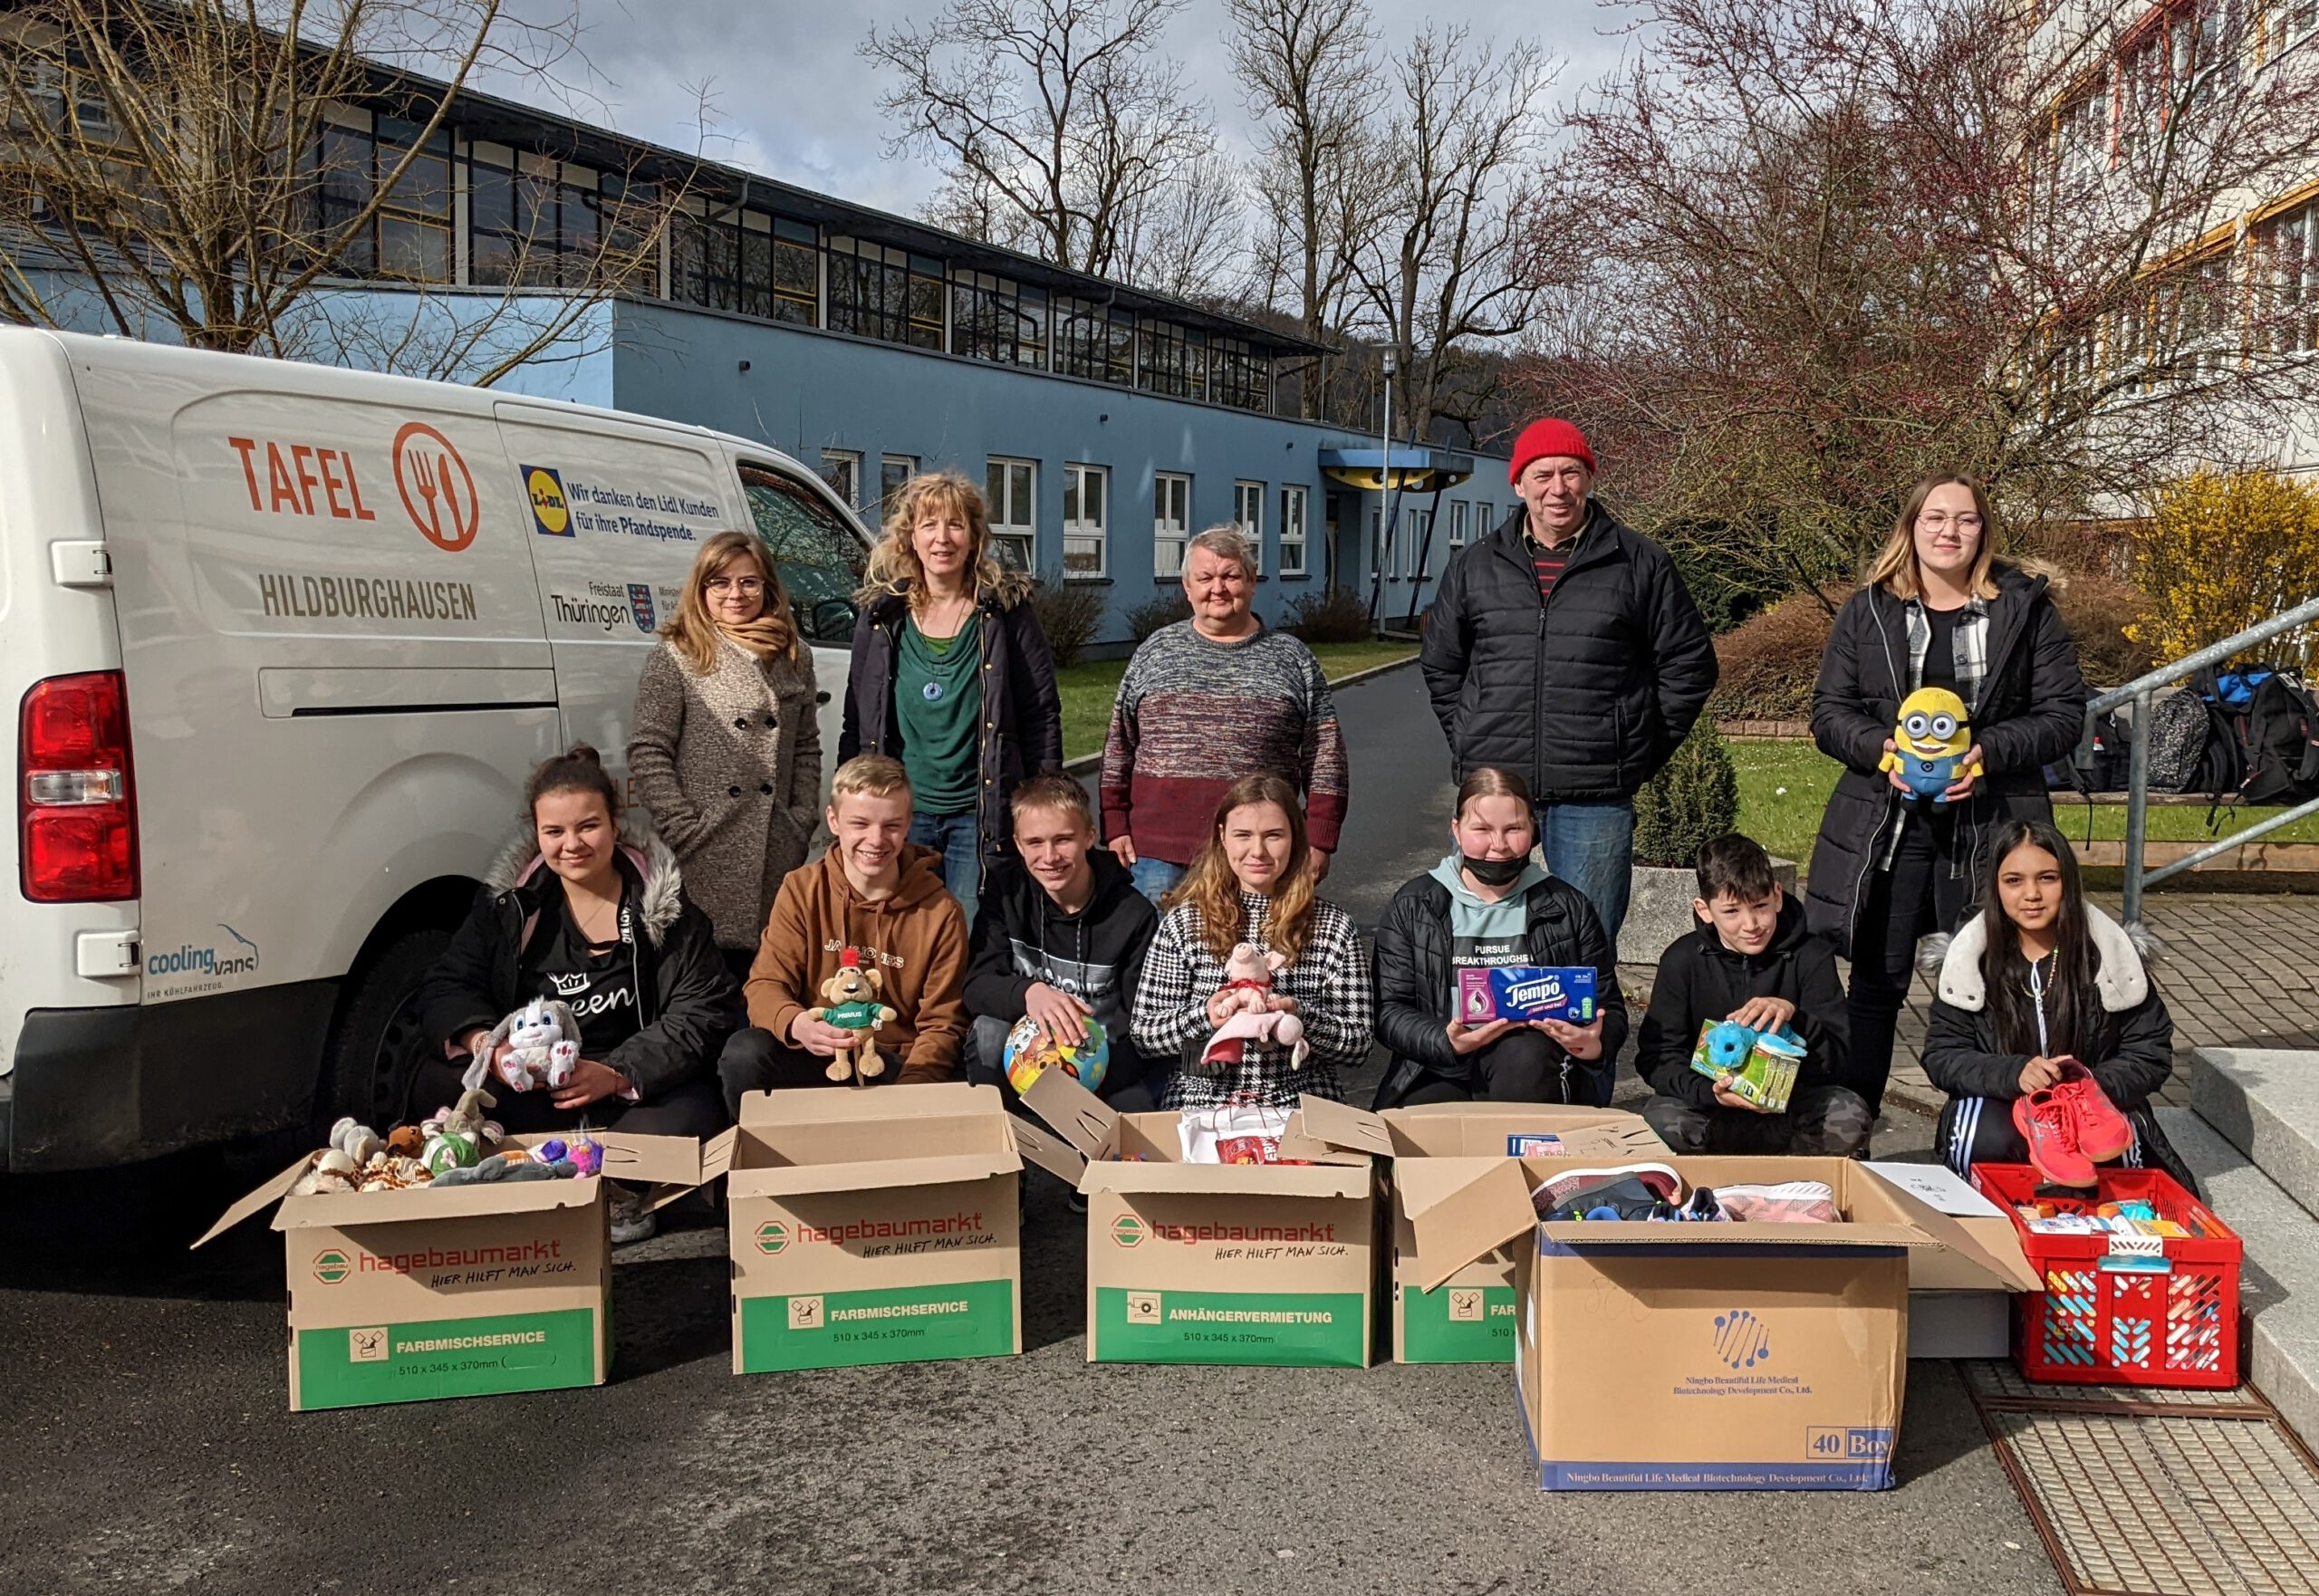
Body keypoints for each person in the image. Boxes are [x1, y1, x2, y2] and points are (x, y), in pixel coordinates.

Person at [1806, 474, 2088, 1116]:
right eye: (1935, 519)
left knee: (1992, 985)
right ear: (1912, 527)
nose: (1949, 533)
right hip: (1889, 825)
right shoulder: (1870, 607)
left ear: (1984, 531)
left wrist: (1987, 753)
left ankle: (1991, 1130)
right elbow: (1829, 711)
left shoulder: (2025, 609)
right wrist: (1882, 750)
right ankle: (1854, 1129)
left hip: (1992, 824)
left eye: (1965, 520)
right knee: (1876, 986)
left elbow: (2063, 714)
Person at [416, 745, 742, 1245]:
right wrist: (491, 1048)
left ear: (614, 824)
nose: (572, 844)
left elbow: (702, 1010)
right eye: (555, 831)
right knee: (435, 1087)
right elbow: (446, 986)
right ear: (537, 834)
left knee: (693, 1115)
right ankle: (550, 1182)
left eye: (588, 826)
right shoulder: (508, 908)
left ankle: (614, 1190)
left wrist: (616, 1075)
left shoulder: (667, 909)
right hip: (535, 1088)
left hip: (631, 1089)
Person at [1419, 418, 1717, 946]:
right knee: (1488, 935)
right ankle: (1502, 1029)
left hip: (1595, 795)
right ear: (1518, 484)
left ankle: (1581, 1031)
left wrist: (1638, 749)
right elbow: (1442, 664)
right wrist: (1470, 736)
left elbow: (1689, 664)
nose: (1558, 489)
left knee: (1586, 938)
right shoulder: (1474, 567)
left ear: (1589, 479)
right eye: (1543, 474)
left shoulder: (1640, 562)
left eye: (1572, 473)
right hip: (1497, 789)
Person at [840, 470, 1062, 926]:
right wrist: (851, 803)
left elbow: (1041, 713)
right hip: (901, 812)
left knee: (967, 929)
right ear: (910, 538)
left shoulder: (1005, 614)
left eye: (956, 525)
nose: (943, 538)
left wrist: (1042, 805)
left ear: (975, 537)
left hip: (977, 815)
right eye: (929, 525)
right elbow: (856, 715)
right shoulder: (882, 617)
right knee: (897, 928)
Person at [1921, 819, 2194, 1191]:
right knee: (1983, 1140)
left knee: (2116, 1153)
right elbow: (1943, 1055)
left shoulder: (2110, 957)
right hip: (2001, 1099)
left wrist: (2085, 1088)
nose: (2031, 894)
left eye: (2047, 878)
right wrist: (2013, 1072)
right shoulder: (1969, 961)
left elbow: (2150, 1052)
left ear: (2068, 882)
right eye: (2014, 881)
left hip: (2094, 1104)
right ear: (1995, 888)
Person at [1101, 526, 1348, 904]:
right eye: (1205, 577)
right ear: (1187, 586)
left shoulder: (1292, 658)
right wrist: (1114, 822)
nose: (1217, 588)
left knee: (1259, 962)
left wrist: (1320, 837)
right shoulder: (1155, 652)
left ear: (1251, 582)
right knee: (1161, 963)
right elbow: (1120, 744)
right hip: (1158, 856)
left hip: (1258, 855)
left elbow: (1325, 755)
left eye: (1230, 576)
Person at [628, 529, 823, 987]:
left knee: (770, 983)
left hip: (776, 845)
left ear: (768, 588)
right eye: (721, 583)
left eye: (749, 582)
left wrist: (800, 817)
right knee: (702, 983)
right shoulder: (677, 654)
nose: (736, 594)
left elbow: (806, 746)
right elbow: (649, 748)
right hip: (705, 846)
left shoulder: (796, 655)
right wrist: (682, 825)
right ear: (702, 589)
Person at [717, 755, 968, 1108]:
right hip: (818, 1050)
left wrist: (911, 1093)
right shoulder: (801, 888)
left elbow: (941, 1024)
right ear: (834, 821)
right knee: (745, 1052)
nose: (876, 839)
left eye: (892, 826)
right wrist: (797, 1024)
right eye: (860, 824)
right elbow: (764, 984)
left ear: (909, 823)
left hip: (894, 1062)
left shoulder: (941, 912)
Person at [1371, 767, 1626, 1110]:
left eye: (1514, 829)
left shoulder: (1568, 906)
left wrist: (1595, 1043)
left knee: (1525, 1054)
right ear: (1456, 830)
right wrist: (1444, 1040)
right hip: (1435, 1066)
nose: (1499, 845)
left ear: (1533, 829)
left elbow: (1608, 1005)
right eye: (1482, 830)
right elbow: (1389, 1010)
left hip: (1531, 1066)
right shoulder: (1414, 904)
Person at [1131, 774, 1371, 1109]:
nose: (1257, 851)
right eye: (1243, 835)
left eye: (1273, 836)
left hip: (1302, 1104)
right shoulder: (1185, 922)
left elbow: (1358, 1043)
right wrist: (1205, 1015)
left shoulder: (1333, 926)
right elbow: (1145, 1034)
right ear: (1223, 838)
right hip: (1204, 1104)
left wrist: (1299, 1014)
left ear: (1295, 839)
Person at [1635, 833, 1872, 1156]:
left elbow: (1841, 1059)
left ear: (1777, 896)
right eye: (1731, 912)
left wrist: (1796, 1017)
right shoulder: (1682, 960)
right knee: (1658, 1121)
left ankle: (1807, 1182)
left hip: (1790, 1106)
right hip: (1711, 1107)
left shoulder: (1811, 956)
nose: (1750, 924)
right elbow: (1658, 1058)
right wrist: (1710, 1093)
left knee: (1849, 1116)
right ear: (1704, 910)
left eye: (1760, 906)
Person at [963, 774, 1162, 1110]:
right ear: (1018, 843)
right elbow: (976, 985)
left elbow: (1141, 1025)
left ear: (1089, 836)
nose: (1050, 856)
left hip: (1100, 1059)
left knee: (1138, 1103)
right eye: (1035, 842)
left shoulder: (1134, 915)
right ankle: (1005, 1135)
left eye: (1063, 839)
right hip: (1027, 1056)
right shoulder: (1006, 892)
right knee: (987, 1030)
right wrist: (1029, 992)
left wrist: (1088, 1082)